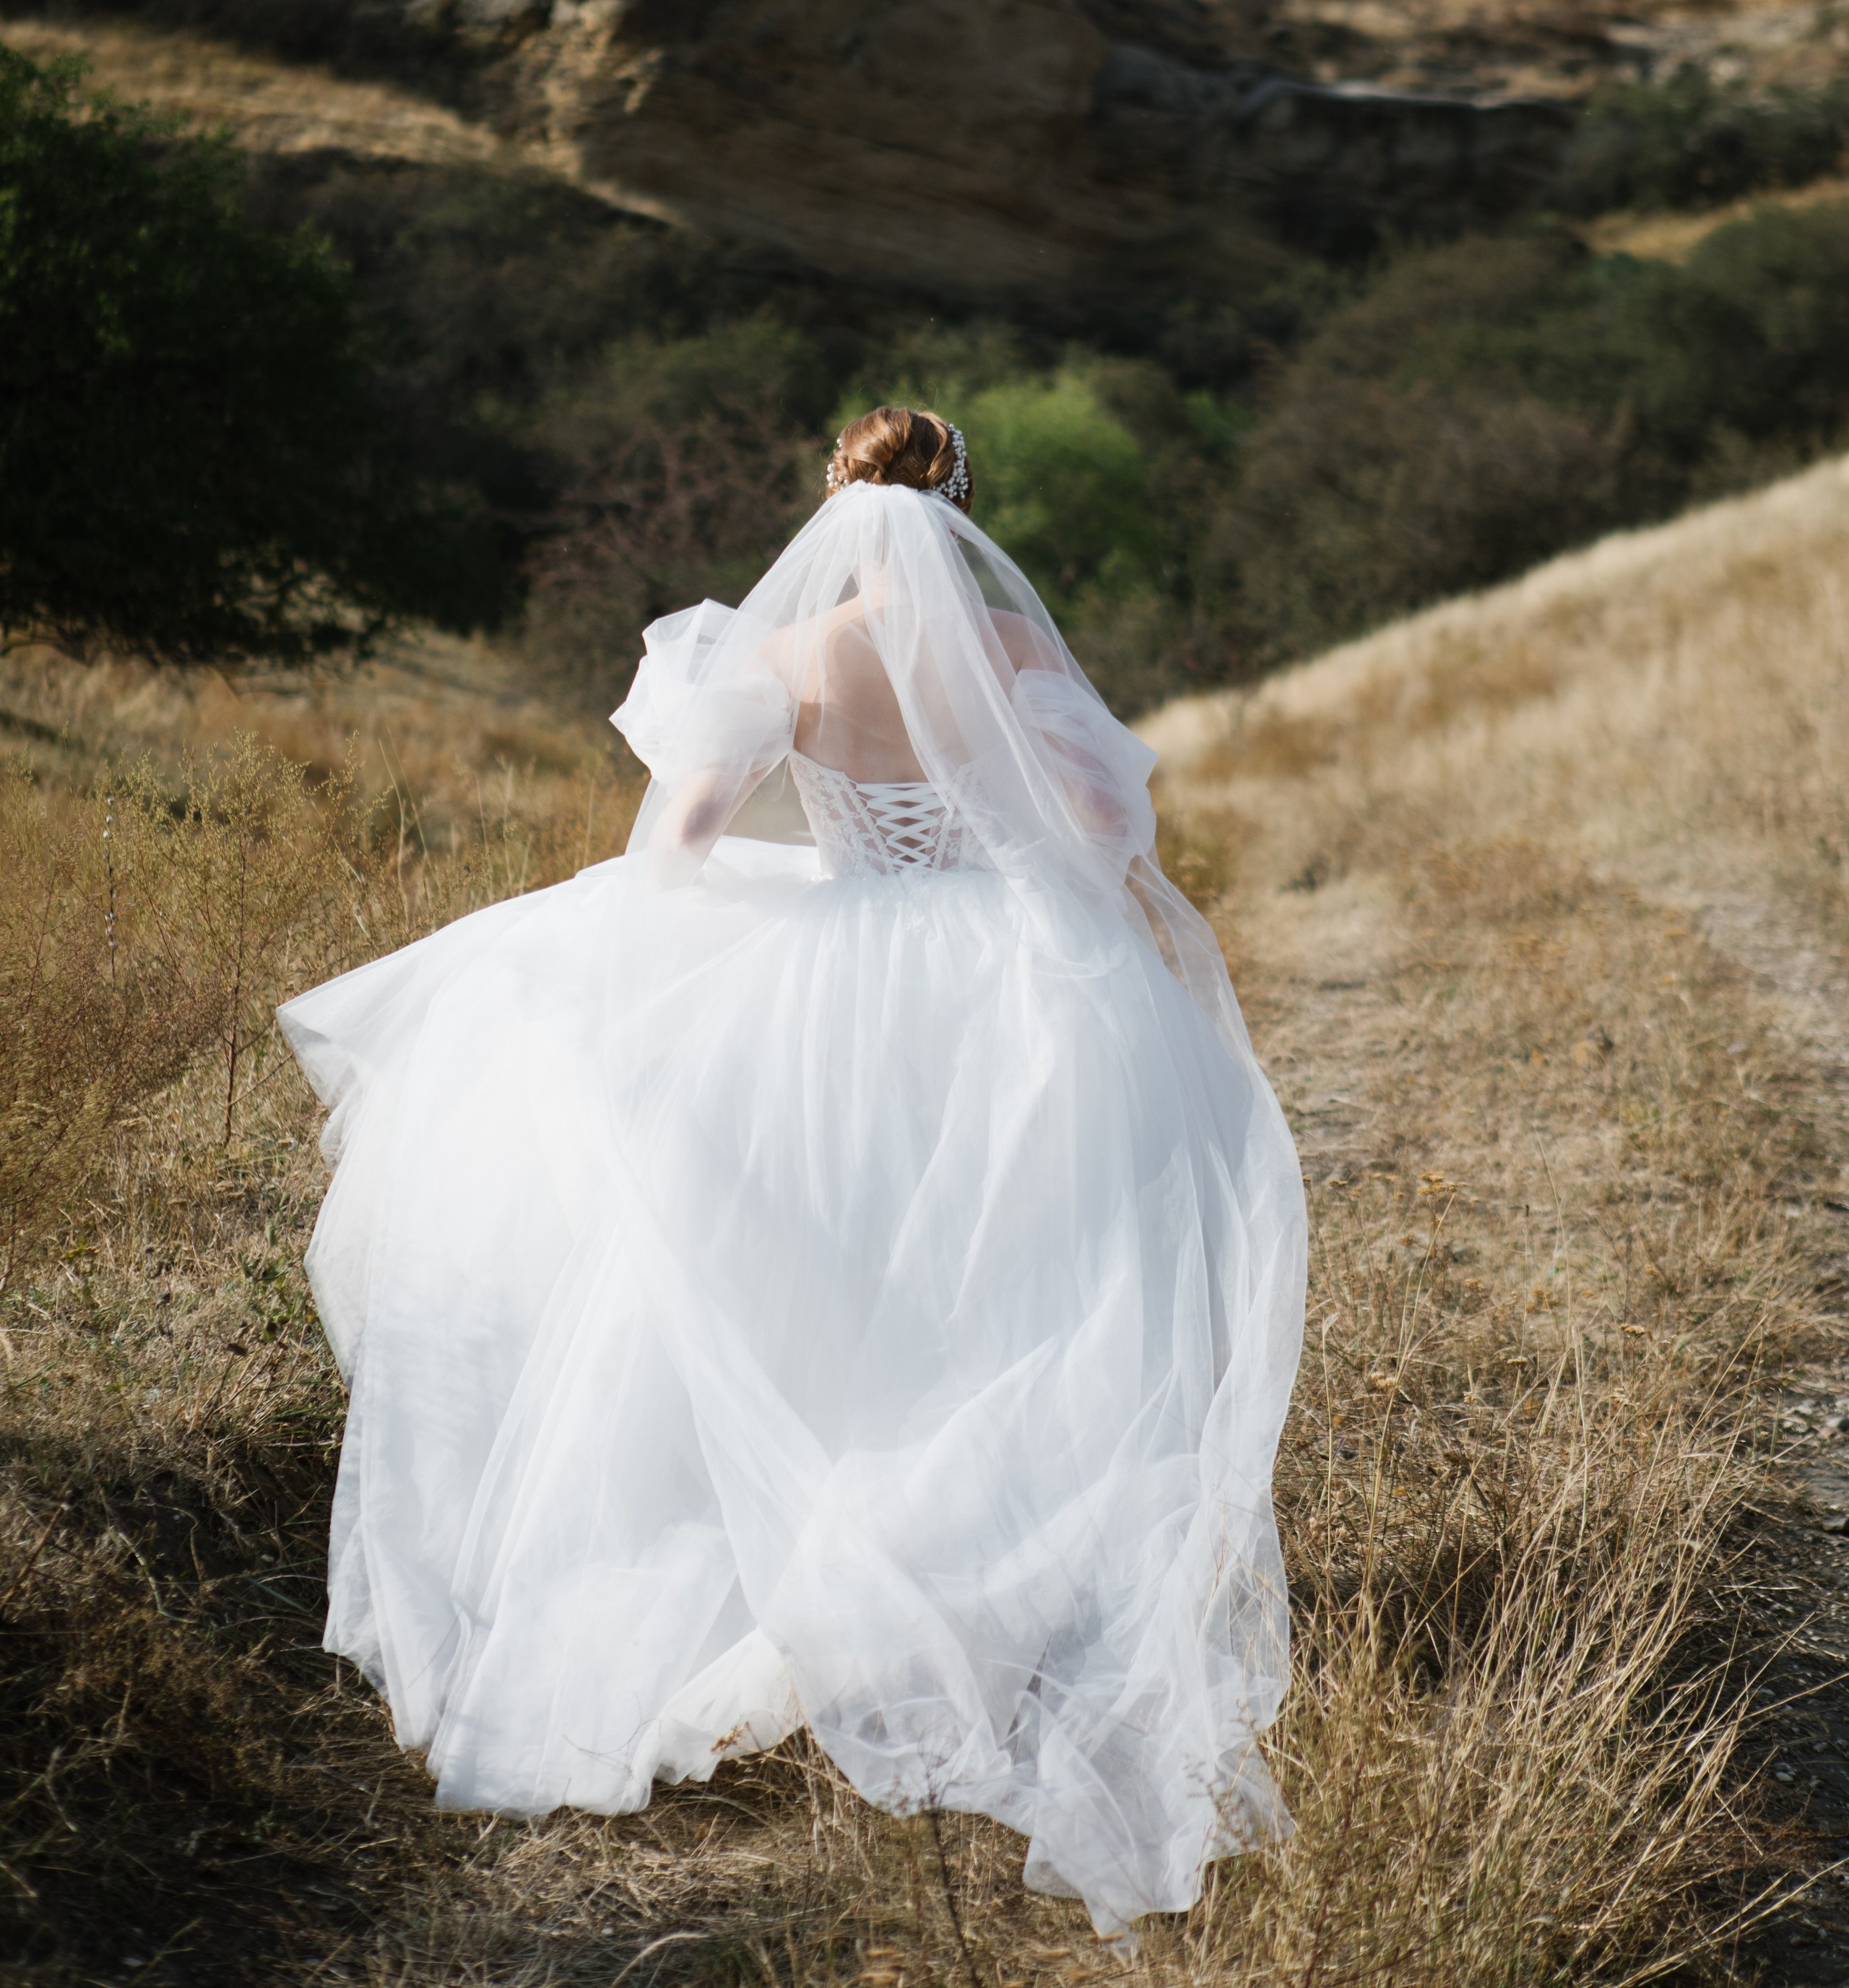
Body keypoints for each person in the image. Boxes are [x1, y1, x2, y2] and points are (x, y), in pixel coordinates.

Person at [279, 406, 1306, 1941]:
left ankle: (813, 1593)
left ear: (836, 499)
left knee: (834, 1288)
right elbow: (1099, 827)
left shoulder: (781, 658)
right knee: (1026, 1284)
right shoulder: (1014, 656)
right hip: (1010, 978)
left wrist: (659, 951)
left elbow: (680, 835)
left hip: (831, 981)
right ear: (961, 501)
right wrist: (1029, 869)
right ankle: (1003, 1605)